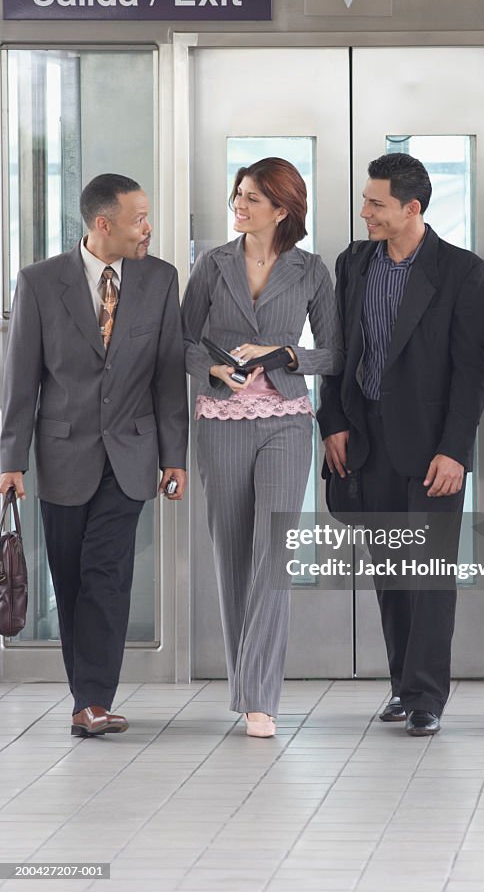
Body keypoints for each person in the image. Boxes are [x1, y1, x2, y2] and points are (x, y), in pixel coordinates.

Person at [0, 173, 188, 738]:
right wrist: (11, 460)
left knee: (107, 573)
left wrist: (173, 456)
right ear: (102, 224)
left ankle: (93, 700)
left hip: (131, 455)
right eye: (139, 219)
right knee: (71, 574)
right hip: (61, 455)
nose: (148, 228)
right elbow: (21, 379)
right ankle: (86, 698)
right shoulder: (39, 283)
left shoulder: (160, 280)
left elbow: (167, 376)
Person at [318, 152, 484, 736]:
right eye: (366, 200)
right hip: (364, 439)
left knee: (429, 573)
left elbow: (473, 372)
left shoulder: (462, 273)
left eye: (376, 204)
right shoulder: (354, 262)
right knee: (391, 572)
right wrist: (333, 421)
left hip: (431, 450)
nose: (364, 212)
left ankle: (426, 697)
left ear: (411, 208)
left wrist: (456, 450)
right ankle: (402, 685)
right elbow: (340, 352)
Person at [182, 156, 343, 738]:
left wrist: (286, 356)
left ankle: (261, 698)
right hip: (220, 419)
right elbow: (182, 342)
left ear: (282, 208)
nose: (239, 206)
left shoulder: (309, 270)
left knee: (272, 556)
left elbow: (334, 353)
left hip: (286, 421)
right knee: (232, 556)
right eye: (238, 195)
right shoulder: (212, 264)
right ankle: (244, 686)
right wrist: (212, 371)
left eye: (251, 198)